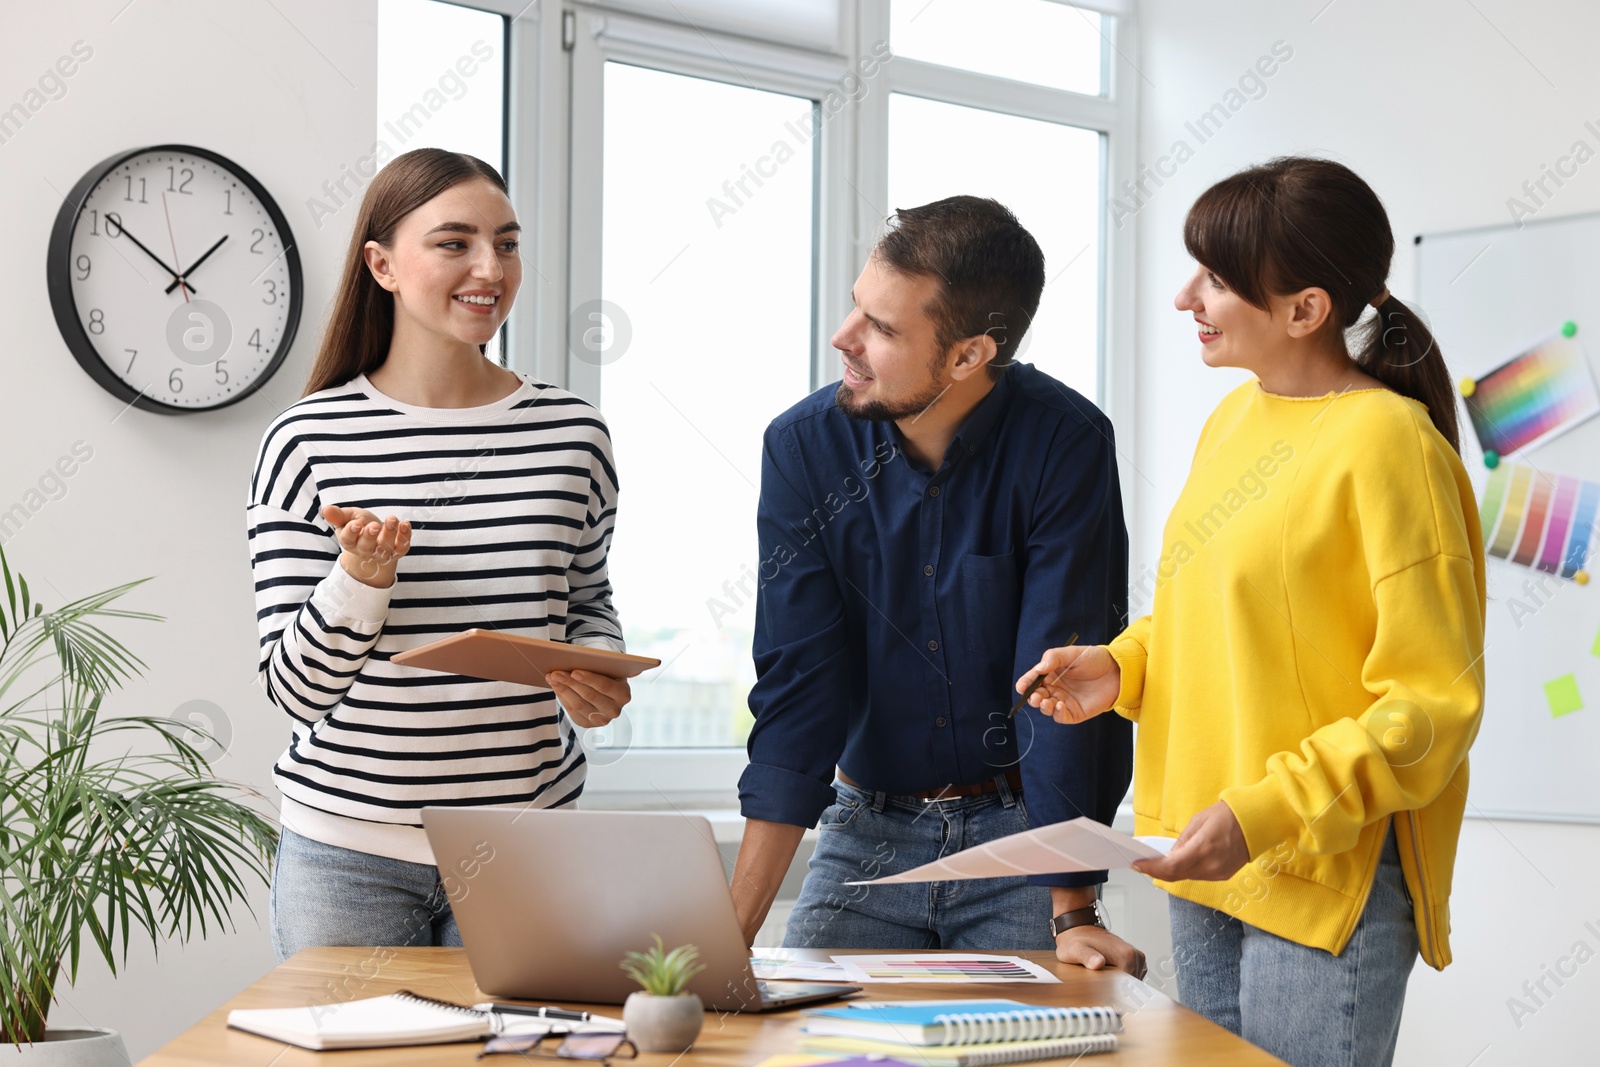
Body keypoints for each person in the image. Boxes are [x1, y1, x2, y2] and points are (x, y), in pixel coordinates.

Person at [1017, 157, 1485, 1067]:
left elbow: (1432, 705)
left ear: (1306, 309)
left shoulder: (1392, 446)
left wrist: (1266, 808)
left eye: (1218, 279)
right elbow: (1215, 613)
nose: (1188, 295)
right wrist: (1125, 664)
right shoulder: (1234, 420)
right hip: (1208, 859)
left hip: (1316, 865)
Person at [731, 196, 1141, 975]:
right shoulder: (802, 448)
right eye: (858, 308)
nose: (843, 338)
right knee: (794, 1049)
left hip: (1019, 837)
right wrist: (728, 933)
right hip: (864, 832)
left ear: (967, 355)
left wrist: (1074, 908)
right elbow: (800, 690)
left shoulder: (1068, 442)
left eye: (881, 329)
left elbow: (1060, 687)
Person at [248, 148, 632, 960]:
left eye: (507, 242)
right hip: (347, 852)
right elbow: (293, 689)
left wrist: (595, 667)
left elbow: (587, 600)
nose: (489, 267)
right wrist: (359, 582)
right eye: (454, 242)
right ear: (382, 265)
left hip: (524, 843)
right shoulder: (306, 440)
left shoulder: (572, 434)